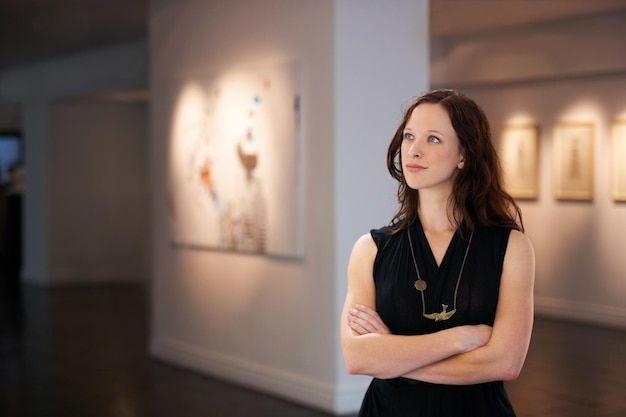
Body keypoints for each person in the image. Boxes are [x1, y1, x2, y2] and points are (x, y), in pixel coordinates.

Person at [340, 89, 535, 416]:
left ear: (464, 155)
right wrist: (461, 338)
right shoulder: (370, 249)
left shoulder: (511, 248)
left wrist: (392, 358)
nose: (413, 150)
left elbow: (505, 363)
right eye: (409, 136)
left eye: (433, 139)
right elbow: (357, 358)